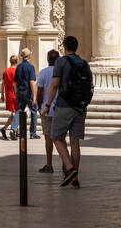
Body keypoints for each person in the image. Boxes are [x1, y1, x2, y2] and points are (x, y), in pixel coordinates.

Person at [43, 36, 93, 189]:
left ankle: (69, 168)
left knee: (56, 137)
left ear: (64, 47)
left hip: (65, 105)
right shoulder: (84, 63)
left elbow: (55, 84)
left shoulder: (61, 61)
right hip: (80, 107)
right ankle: (75, 178)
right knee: (75, 142)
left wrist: (47, 104)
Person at [36, 49, 59, 173]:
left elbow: (40, 92)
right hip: (60, 109)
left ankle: (49, 164)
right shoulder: (62, 72)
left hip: (47, 109)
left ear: (47, 60)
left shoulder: (43, 73)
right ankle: (65, 164)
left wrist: (40, 107)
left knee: (48, 138)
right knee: (60, 138)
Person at [12, 47, 38, 141]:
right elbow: (32, 82)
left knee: (19, 110)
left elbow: (15, 82)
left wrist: (15, 92)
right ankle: (32, 133)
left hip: (19, 92)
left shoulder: (18, 66)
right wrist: (34, 96)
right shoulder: (31, 67)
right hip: (28, 92)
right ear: (29, 56)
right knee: (34, 111)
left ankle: (13, 128)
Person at [0, 54, 18, 139]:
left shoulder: (6, 71)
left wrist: (2, 94)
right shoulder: (17, 71)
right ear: (17, 62)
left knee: (15, 113)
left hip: (8, 94)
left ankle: (16, 131)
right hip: (15, 94)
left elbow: (3, 83)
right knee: (15, 114)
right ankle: (5, 128)